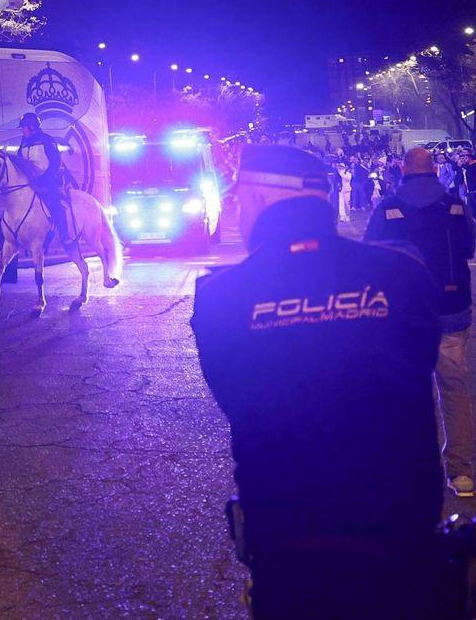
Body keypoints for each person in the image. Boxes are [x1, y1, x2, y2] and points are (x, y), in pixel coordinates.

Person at [192, 145, 443, 618]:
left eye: (241, 202)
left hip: (288, 534)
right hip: (399, 527)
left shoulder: (219, 297)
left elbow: (236, 398)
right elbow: (419, 363)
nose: (239, 214)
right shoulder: (402, 274)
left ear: (263, 200)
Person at [365, 146, 476, 498]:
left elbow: (371, 254)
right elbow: (470, 248)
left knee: (405, 392)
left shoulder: (388, 208)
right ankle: (461, 473)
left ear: (403, 169)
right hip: (452, 310)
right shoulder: (455, 206)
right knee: (454, 389)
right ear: (433, 168)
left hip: (402, 316)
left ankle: (409, 472)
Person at [16, 112, 80, 256]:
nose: (22, 130)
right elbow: (20, 160)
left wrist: (44, 179)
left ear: (32, 127)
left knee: (54, 204)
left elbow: (56, 162)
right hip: (32, 182)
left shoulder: (47, 140)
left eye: (24, 127)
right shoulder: (24, 142)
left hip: (49, 181)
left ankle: (65, 235)